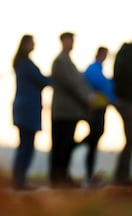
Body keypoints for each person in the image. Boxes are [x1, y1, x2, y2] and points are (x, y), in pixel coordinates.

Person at [50, 32, 94, 188]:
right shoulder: (60, 61)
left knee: (66, 145)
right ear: (62, 41)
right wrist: (87, 97)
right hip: (63, 112)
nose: (72, 43)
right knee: (61, 146)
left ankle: (62, 176)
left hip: (69, 112)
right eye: (69, 40)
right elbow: (72, 84)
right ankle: (58, 178)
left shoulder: (68, 61)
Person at [12, 35, 51, 190]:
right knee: (27, 146)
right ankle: (20, 180)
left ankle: (19, 179)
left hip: (23, 109)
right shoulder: (26, 64)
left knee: (24, 145)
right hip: (29, 110)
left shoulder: (20, 63)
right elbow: (43, 81)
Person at [81, 47, 116, 186]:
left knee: (95, 138)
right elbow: (100, 84)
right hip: (96, 108)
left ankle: (89, 174)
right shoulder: (93, 69)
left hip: (101, 107)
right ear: (100, 54)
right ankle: (75, 146)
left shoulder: (99, 70)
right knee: (94, 136)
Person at [113, 41, 132, 185]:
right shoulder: (126, 52)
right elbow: (123, 75)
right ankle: (121, 176)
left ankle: (121, 175)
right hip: (125, 100)